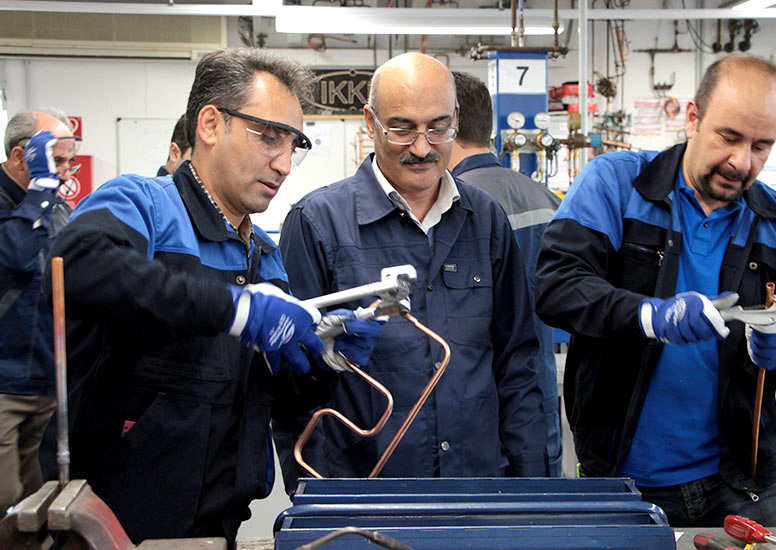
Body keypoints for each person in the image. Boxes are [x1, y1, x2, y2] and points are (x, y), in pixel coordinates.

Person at [37, 48, 381, 544]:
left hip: (218, 524)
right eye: (270, 137)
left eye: (294, 145)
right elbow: (75, 267)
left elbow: (276, 398)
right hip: (110, 527)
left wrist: (326, 361)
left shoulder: (264, 256)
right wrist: (233, 308)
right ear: (211, 124)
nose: (284, 164)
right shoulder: (143, 206)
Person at [535, 54, 776, 526]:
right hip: (622, 480)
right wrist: (650, 316)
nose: (741, 161)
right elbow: (555, 285)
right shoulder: (616, 184)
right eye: (728, 137)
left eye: (761, 146)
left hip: (747, 483)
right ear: (692, 118)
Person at [275, 52, 548, 485]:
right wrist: (317, 498)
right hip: (367, 497)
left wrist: (532, 487)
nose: (422, 148)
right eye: (402, 128)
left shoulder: (486, 220)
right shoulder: (317, 224)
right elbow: (293, 386)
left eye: (438, 128)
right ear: (370, 121)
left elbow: (516, 363)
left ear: (456, 119)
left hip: (476, 490)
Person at [448, 71, 563, 477]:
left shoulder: (452, 208)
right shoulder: (548, 199)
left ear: (450, 121)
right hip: (543, 406)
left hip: (478, 423)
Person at [0, 110, 77, 518]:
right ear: (20, 156)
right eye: (57, 160)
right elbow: (12, 256)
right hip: (4, 383)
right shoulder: (36, 203)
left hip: (50, 379)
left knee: (40, 502)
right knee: (3, 495)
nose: (64, 172)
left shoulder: (56, 208)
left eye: (69, 161)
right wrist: (39, 195)